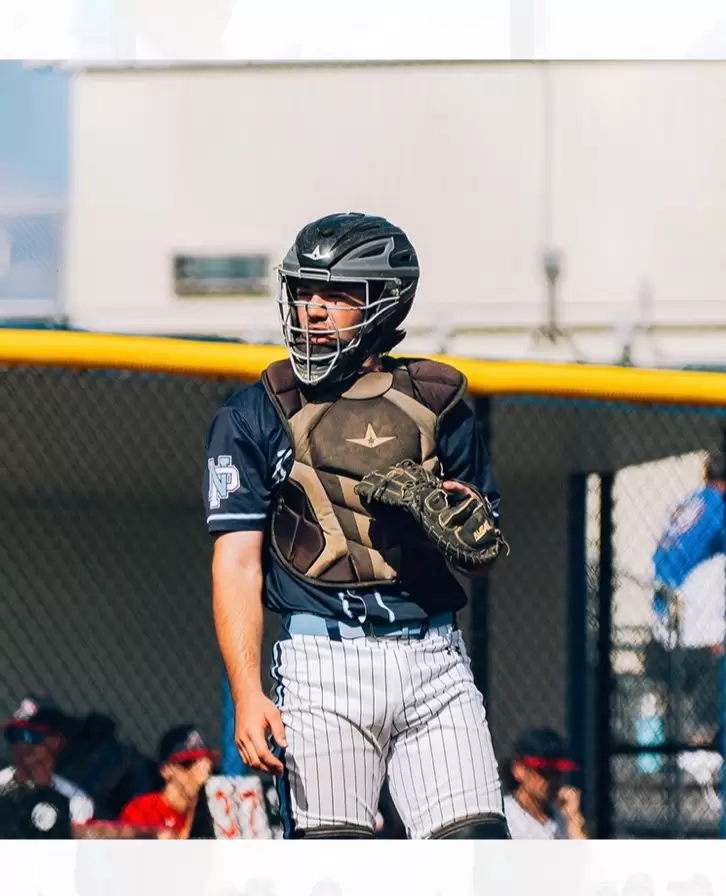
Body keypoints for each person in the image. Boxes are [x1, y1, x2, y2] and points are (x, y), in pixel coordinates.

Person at [204, 212, 508, 840]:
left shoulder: (438, 404)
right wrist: (247, 692)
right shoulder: (254, 412)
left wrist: (469, 533)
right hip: (322, 662)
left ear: (386, 301)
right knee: (335, 871)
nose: (313, 309)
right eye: (303, 291)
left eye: (337, 293)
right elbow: (237, 562)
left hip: (434, 657)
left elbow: (481, 552)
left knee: (478, 859)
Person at [646, 447, 726, 741]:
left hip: (663, 620)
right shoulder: (719, 507)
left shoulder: (690, 502)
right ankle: (705, 736)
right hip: (692, 625)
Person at [0, 695, 95, 830]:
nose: (23, 744)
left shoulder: (76, 802)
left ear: (56, 741)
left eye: (33, 736)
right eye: (17, 735)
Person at [119, 724, 218, 838]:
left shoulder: (211, 812)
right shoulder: (144, 808)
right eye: (187, 763)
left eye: (204, 762)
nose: (197, 770)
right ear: (165, 770)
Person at [501, 727, 587, 840]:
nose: (552, 780)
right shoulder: (503, 816)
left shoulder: (563, 818)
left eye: (556, 772)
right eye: (543, 772)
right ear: (519, 769)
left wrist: (574, 819)